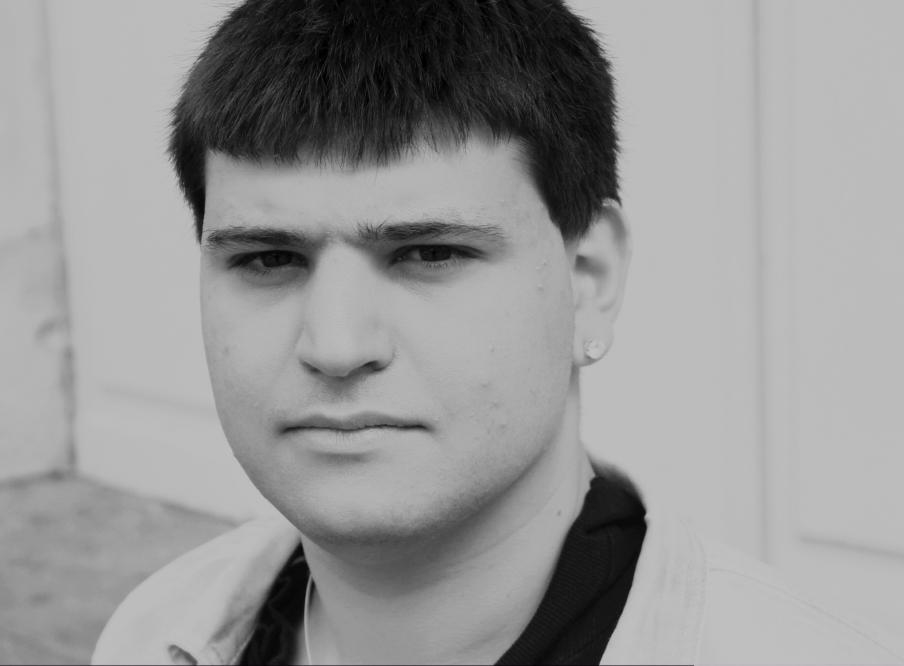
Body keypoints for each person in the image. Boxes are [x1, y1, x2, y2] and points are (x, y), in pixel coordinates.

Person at [93, 1, 901, 664]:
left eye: (429, 253)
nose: (335, 345)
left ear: (589, 278)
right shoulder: (154, 633)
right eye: (269, 259)